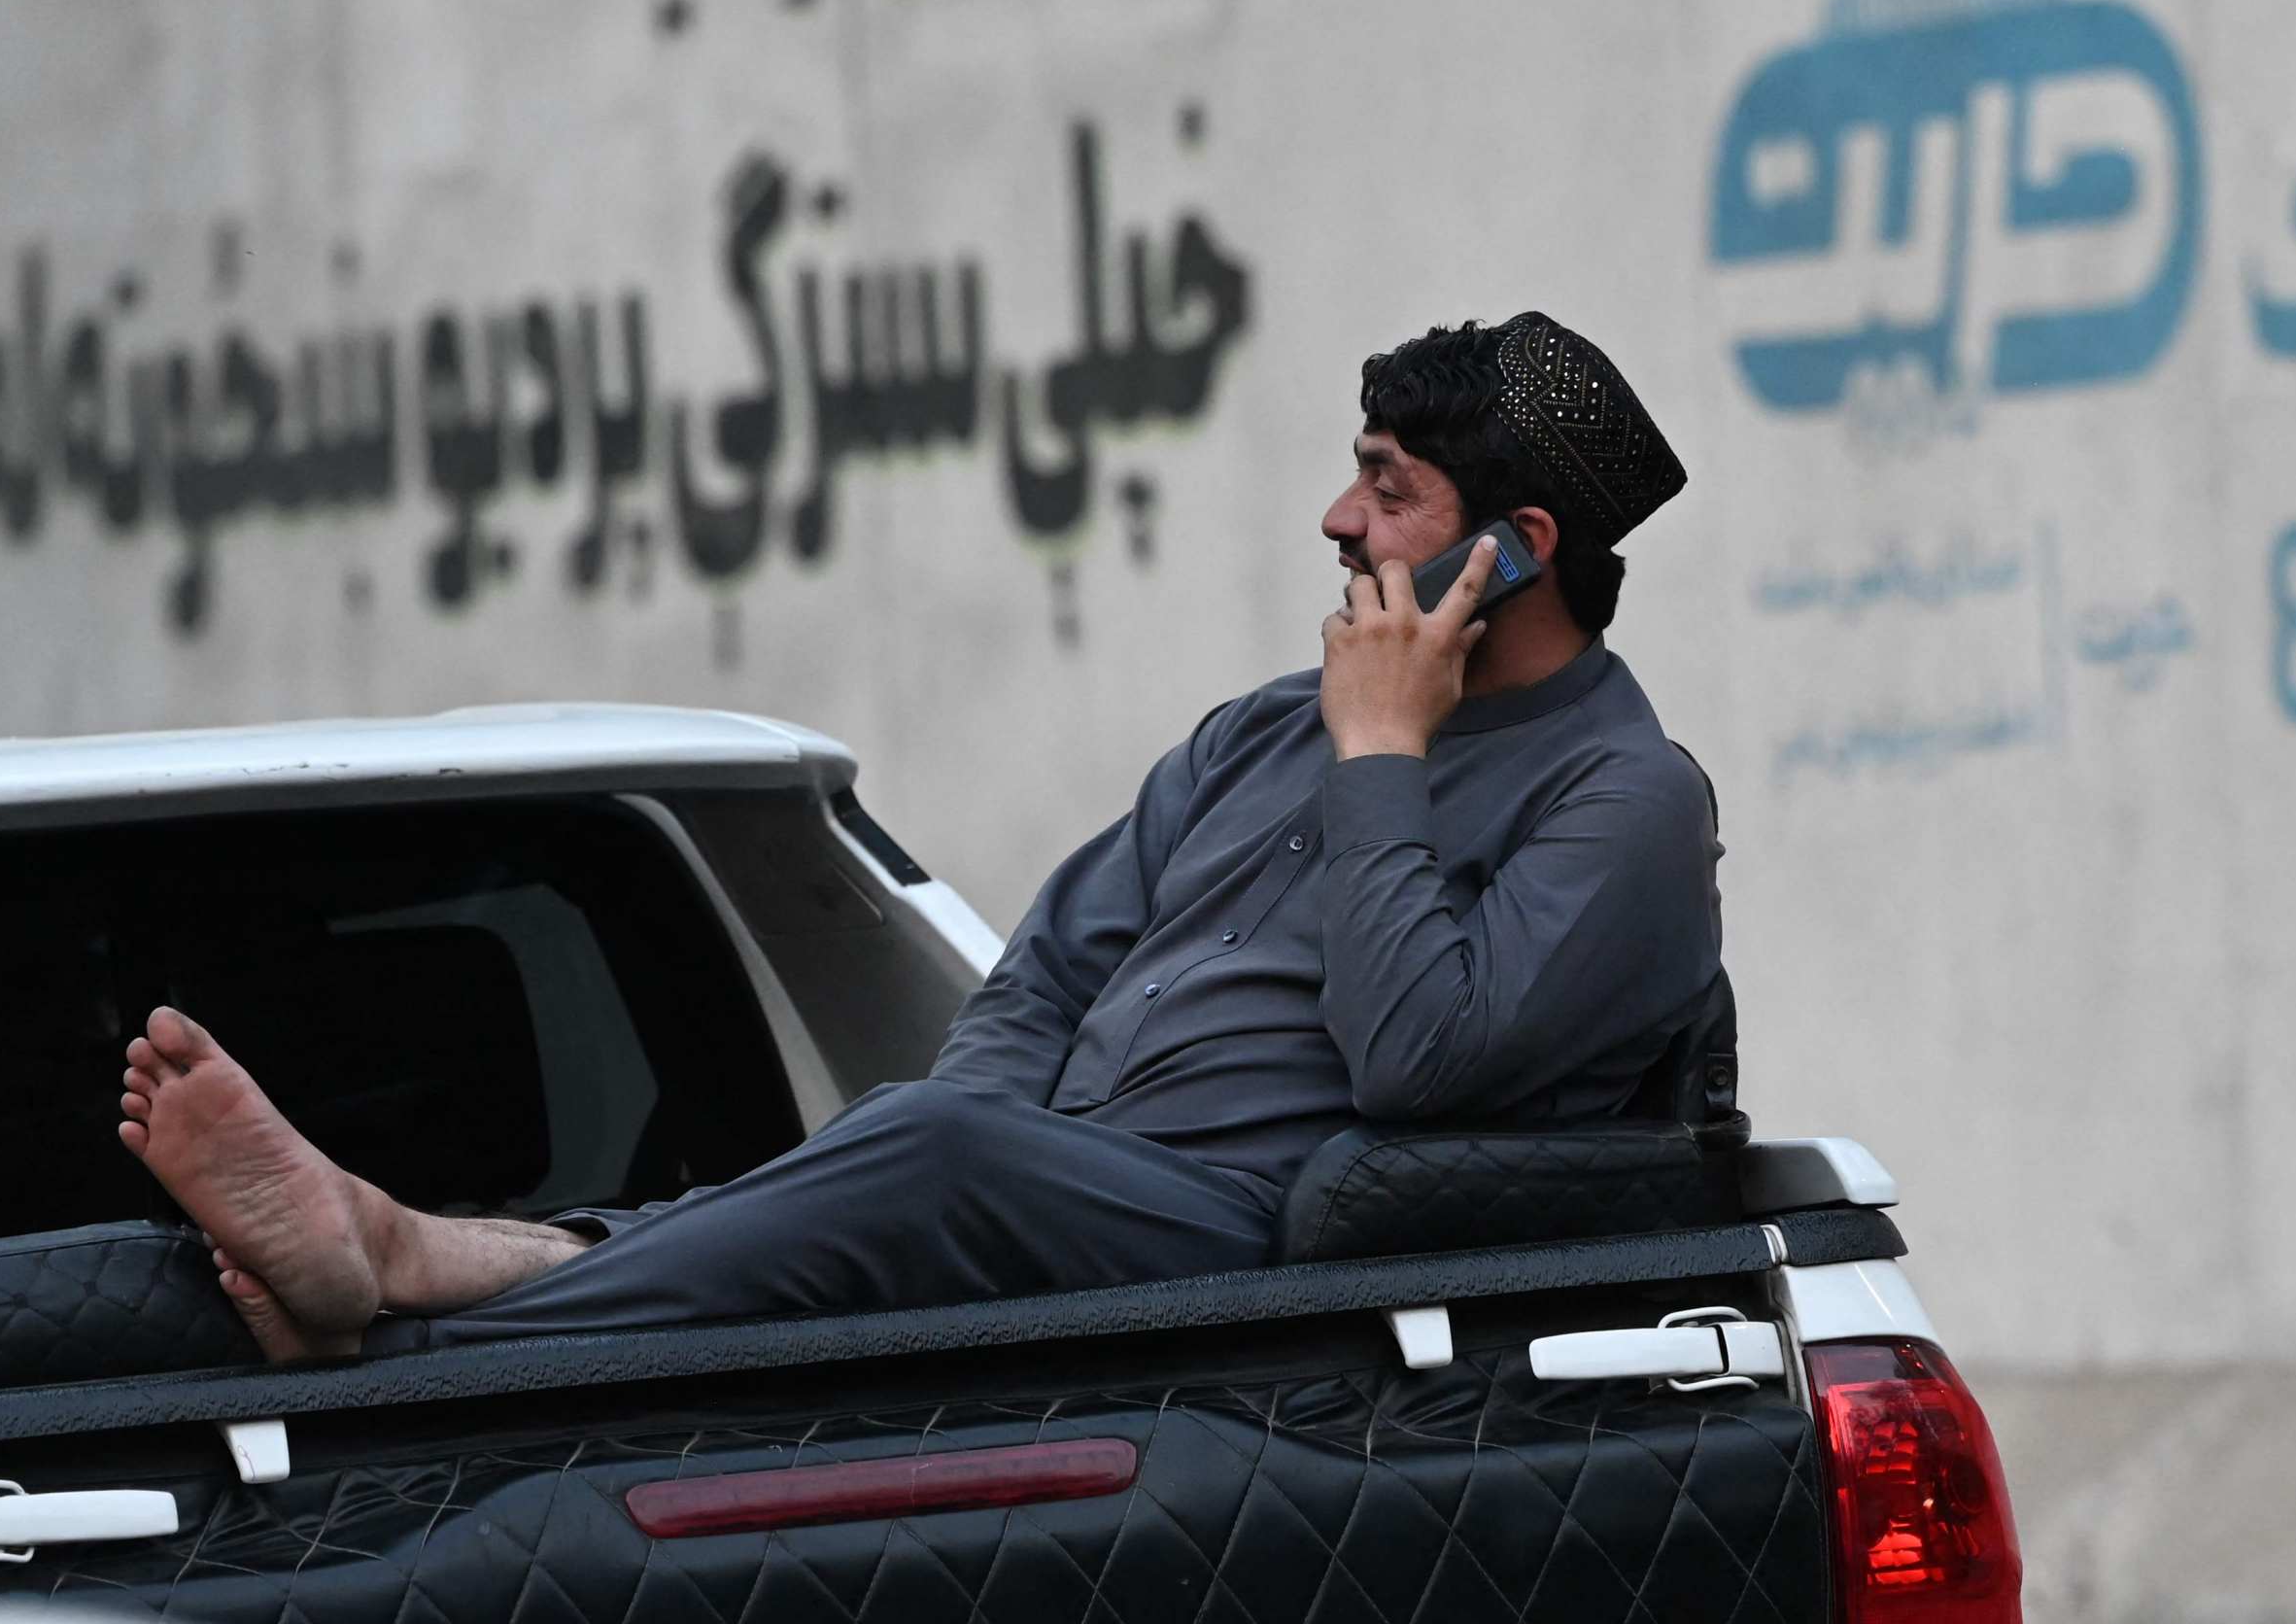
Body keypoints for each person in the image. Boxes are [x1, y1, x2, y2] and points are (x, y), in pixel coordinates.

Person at [118, 312, 1722, 1362]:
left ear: (1516, 554)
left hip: (1266, 1244)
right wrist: (966, 1207)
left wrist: (1385, 752)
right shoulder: (1261, 728)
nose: (1337, 521)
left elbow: (1418, 1058)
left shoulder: (1627, 801)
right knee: (899, 1156)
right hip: (1078, 1195)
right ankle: (404, 1243)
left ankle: (414, 1352)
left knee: (916, 1155)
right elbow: (1045, 978)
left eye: (1389, 490)